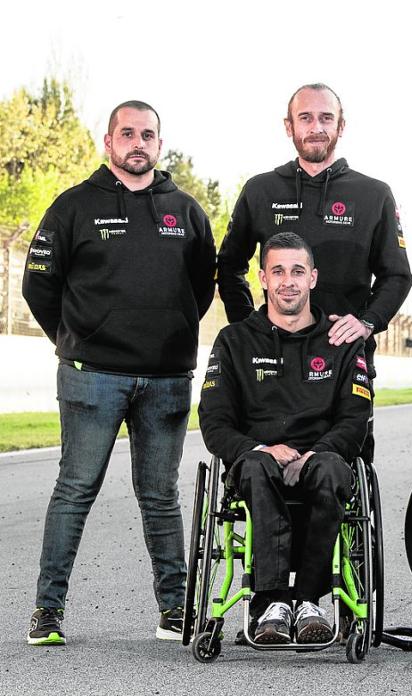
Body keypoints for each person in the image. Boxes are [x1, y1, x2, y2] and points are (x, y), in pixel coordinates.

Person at [22, 100, 216, 645]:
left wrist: (168, 333)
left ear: (160, 144)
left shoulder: (187, 211)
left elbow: (200, 289)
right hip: (92, 375)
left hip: (165, 380)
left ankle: (175, 611)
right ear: (107, 142)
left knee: (161, 497)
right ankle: (47, 611)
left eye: (147, 134)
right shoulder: (72, 207)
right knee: (74, 489)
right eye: (126, 133)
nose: (138, 142)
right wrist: (76, 337)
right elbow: (38, 285)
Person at [216, 83, 412, 460]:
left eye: (326, 118)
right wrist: (249, 329)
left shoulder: (374, 194)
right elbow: (229, 267)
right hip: (269, 359)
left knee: (341, 472)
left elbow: (397, 275)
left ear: (342, 126)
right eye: (305, 117)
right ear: (289, 126)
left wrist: (367, 322)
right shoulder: (260, 190)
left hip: (342, 357)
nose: (316, 126)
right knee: (267, 468)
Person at [199, 232, 372, 645]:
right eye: (278, 271)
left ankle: (310, 602)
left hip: (320, 459)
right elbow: (214, 420)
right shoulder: (234, 341)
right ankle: (272, 602)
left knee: (333, 469)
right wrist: (261, 449)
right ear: (262, 278)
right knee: (257, 467)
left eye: (297, 271)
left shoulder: (342, 342)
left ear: (313, 278)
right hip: (257, 462)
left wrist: (316, 453)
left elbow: (355, 417)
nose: (288, 281)